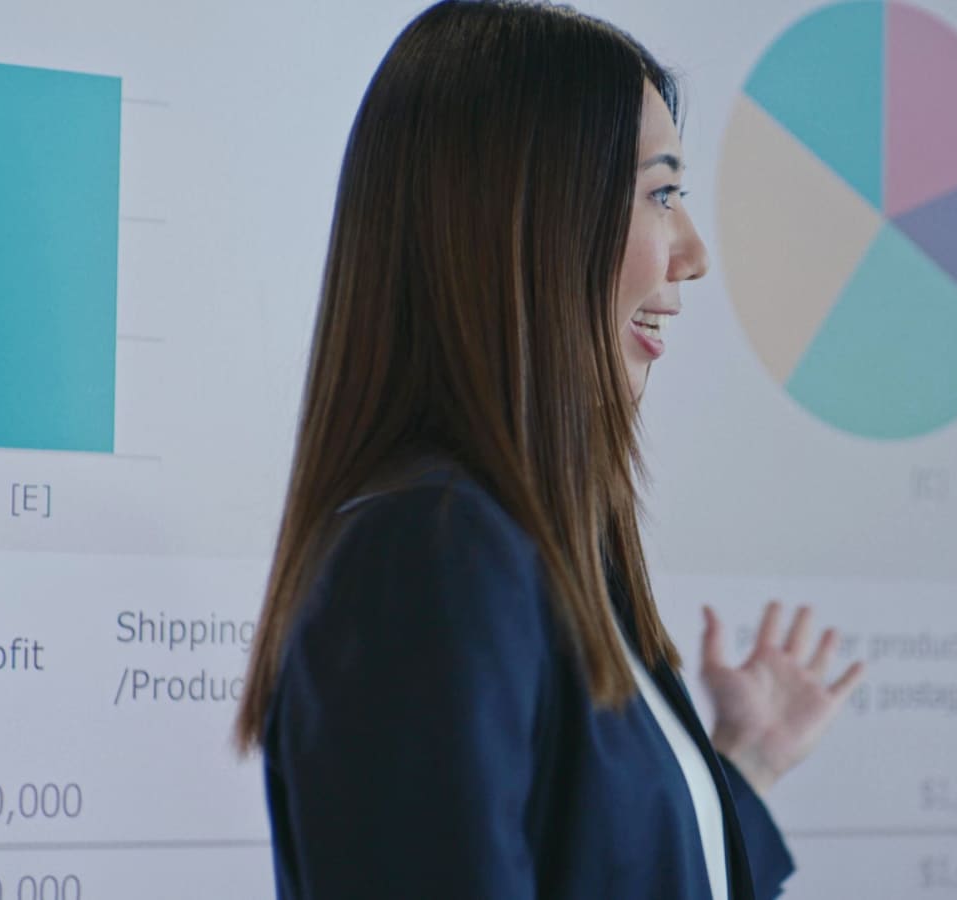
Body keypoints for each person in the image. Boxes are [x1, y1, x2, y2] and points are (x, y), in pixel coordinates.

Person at [234, 2, 864, 897]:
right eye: (661, 194)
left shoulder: (521, 544)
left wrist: (744, 766)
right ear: (528, 216)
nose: (691, 254)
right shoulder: (432, 550)